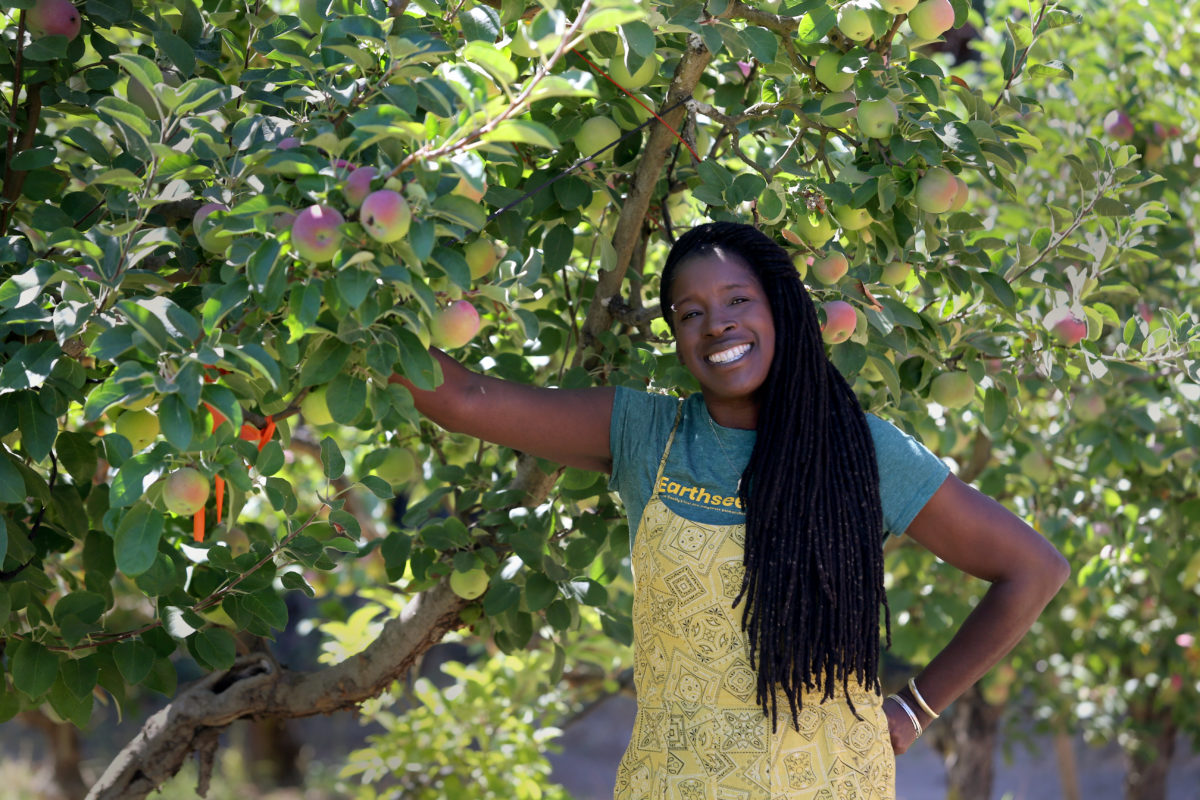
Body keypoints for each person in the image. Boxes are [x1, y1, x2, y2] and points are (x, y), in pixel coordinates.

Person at [393, 221, 1069, 798]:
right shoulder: (644, 434)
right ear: (677, 337)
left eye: (738, 299)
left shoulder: (862, 451)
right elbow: (464, 400)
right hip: (675, 780)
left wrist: (917, 707)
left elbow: (1032, 569)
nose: (716, 323)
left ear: (780, 308)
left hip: (830, 782)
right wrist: (351, 314)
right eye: (689, 313)